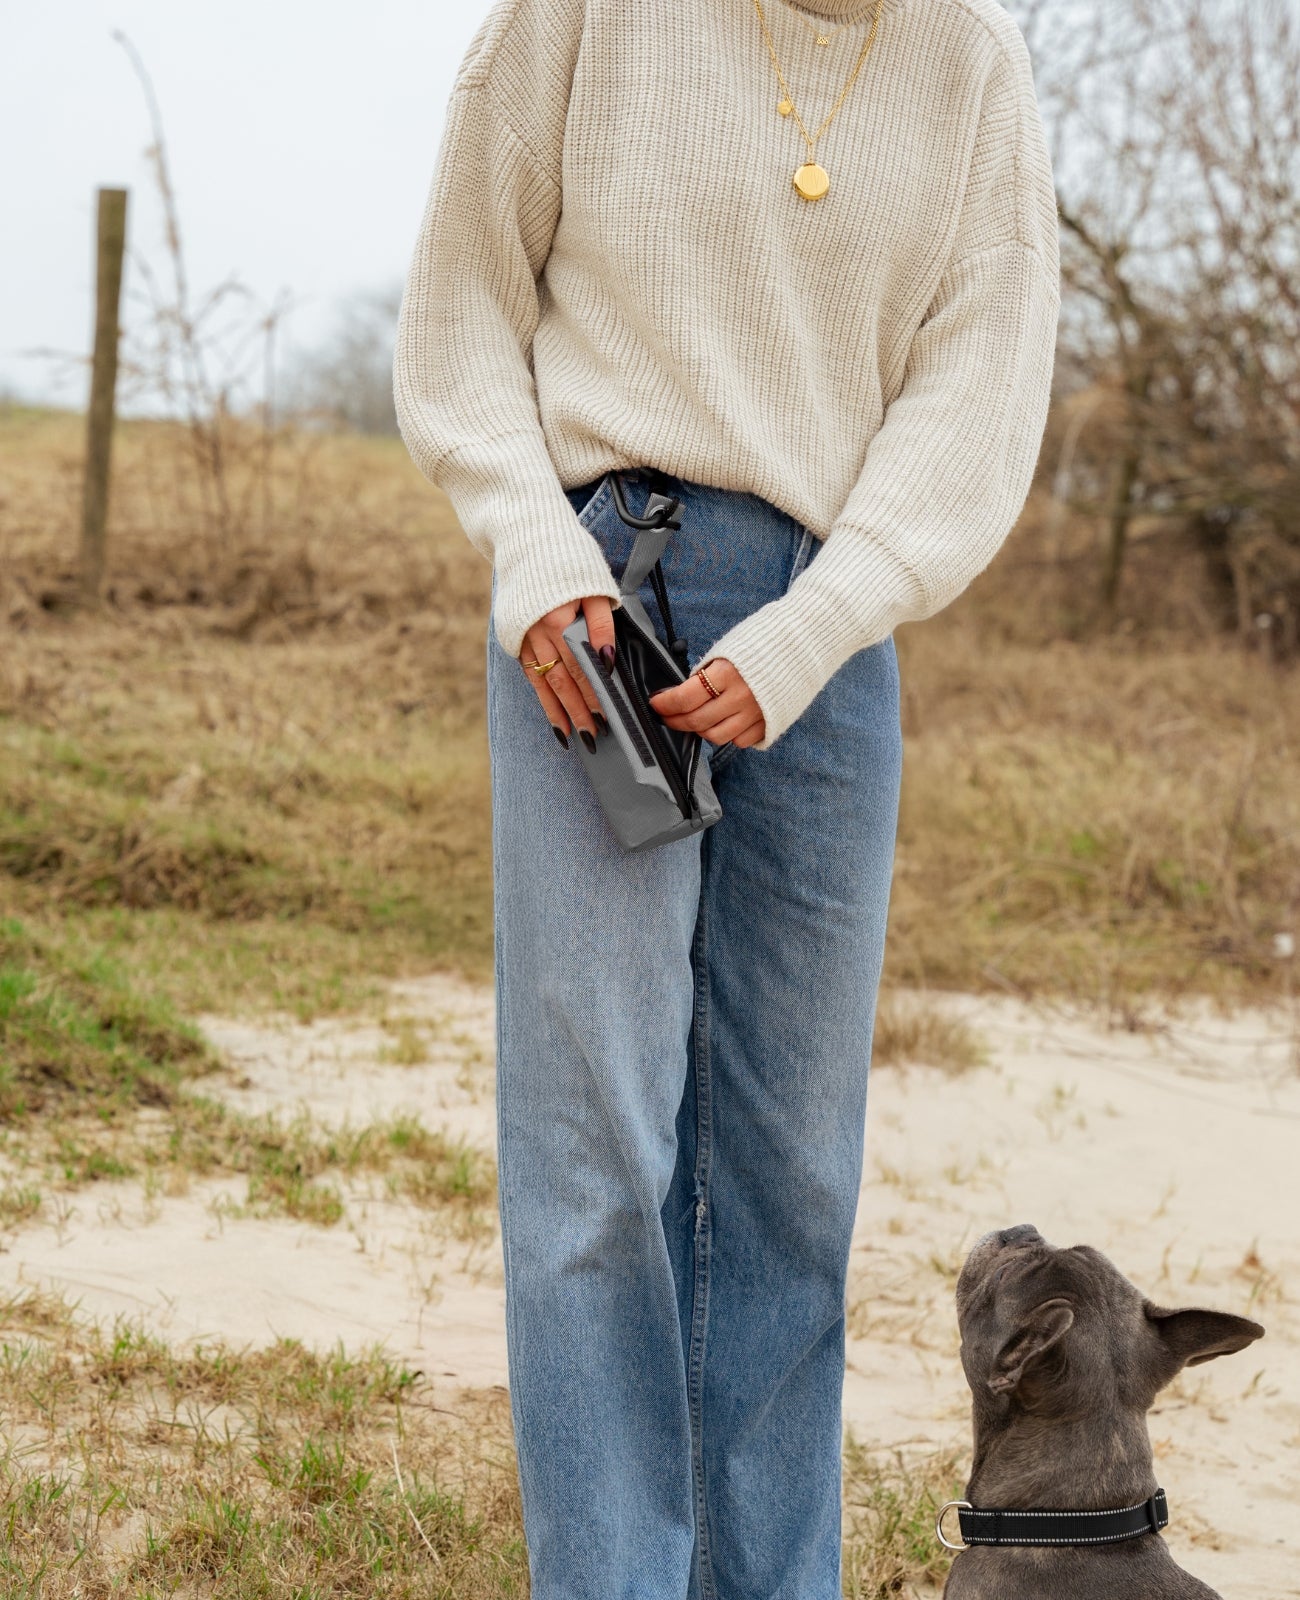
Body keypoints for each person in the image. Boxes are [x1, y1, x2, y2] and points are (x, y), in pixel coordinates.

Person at [393, 0, 1059, 1592]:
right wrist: (537, 553)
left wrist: (822, 622)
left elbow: (979, 389)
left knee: (790, 1167)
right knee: (595, 1146)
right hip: (592, 611)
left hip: (827, 643)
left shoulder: (971, 66)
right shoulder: (581, 17)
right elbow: (462, 315)